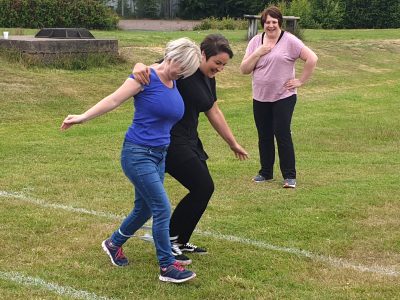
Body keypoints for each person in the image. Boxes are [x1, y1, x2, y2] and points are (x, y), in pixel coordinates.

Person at [60, 38, 201, 283]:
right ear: (172, 58)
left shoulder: (173, 80)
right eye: (182, 68)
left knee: (144, 208)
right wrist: (82, 117)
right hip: (137, 154)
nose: (184, 74)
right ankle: (167, 267)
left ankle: (113, 243)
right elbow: (114, 99)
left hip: (159, 154)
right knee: (161, 208)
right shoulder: (145, 77)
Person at [133, 34, 248, 262]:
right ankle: (168, 239)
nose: (220, 69)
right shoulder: (185, 68)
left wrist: (232, 143)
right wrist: (138, 65)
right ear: (203, 55)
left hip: (189, 139)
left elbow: (213, 110)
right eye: (217, 63)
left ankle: (179, 240)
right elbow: (156, 66)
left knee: (204, 189)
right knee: (202, 186)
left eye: (224, 65)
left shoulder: (208, 78)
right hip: (170, 140)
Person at [240, 6, 318, 188]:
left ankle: (289, 176)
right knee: (264, 135)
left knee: (282, 133)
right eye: (267, 22)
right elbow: (244, 69)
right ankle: (265, 173)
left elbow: (312, 58)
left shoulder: (289, 41)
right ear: (263, 24)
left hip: (284, 96)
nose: (271, 25)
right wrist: (258, 52)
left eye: (274, 22)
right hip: (260, 97)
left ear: (280, 23)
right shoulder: (255, 42)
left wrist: (300, 81)